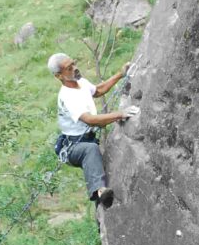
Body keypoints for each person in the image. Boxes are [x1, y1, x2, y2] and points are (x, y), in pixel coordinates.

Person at [47, 53, 139, 208]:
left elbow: (98, 90)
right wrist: (119, 114)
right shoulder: (67, 96)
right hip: (73, 147)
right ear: (59, 76)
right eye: (70, 68)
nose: (75, 69)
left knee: (92, 149)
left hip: (87, 139)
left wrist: (120, 74)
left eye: (74, 64)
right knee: (90, 150)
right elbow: (89, 119)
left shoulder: (80, 82)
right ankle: (100, 191)